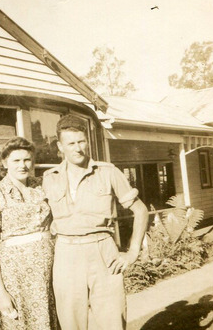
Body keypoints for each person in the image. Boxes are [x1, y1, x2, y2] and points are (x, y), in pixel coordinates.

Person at [43, 114, 149, 330]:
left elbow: (141, 210)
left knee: (111, 320)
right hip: (66, 254)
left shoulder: (107, 172)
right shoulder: (48, 177)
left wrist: (133, 251)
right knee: (71, 323)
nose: (78, 148)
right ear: (60, 146)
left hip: (102, 251)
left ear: (87, 141)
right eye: (70, 143)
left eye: (81, 141)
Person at [0, 137, 58, 330]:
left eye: (27, 159)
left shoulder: (42, 187)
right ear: (4, 163)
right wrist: (1, 291)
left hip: (50, 271)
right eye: (16, 160)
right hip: (15, 277)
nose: (23, 165)